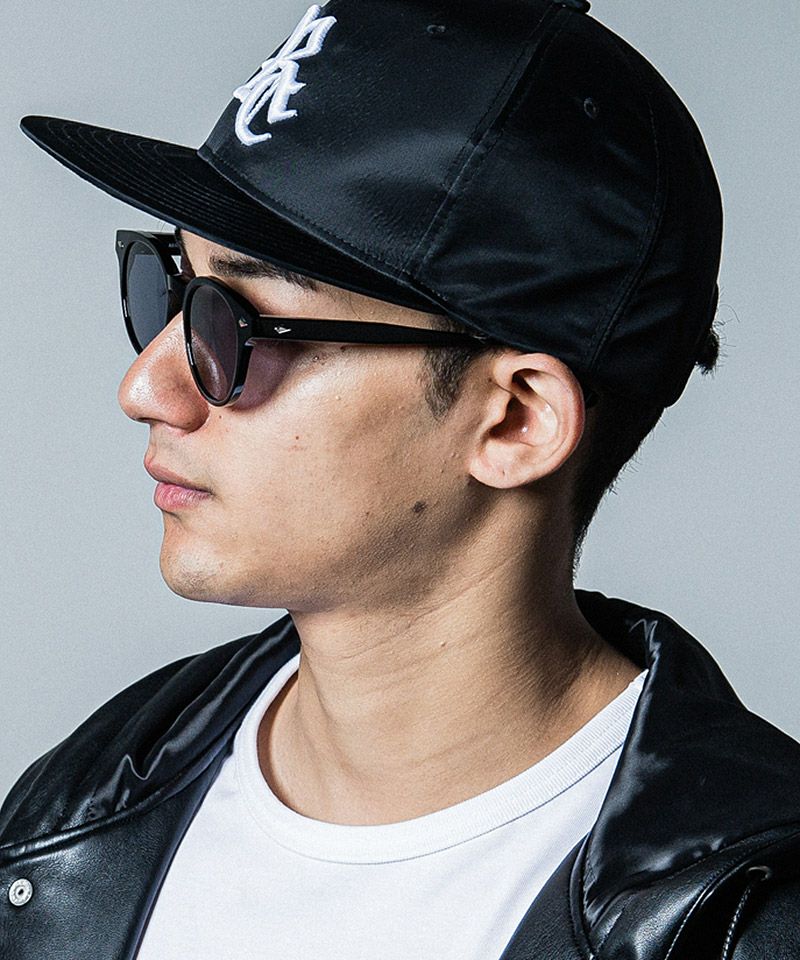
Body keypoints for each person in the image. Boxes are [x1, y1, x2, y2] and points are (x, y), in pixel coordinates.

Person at [2, 1, 799, 957]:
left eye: (234, 326)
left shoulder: (746, 920)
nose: (145, 388)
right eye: (168, 288)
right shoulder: (81, 813)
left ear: (514, 419)